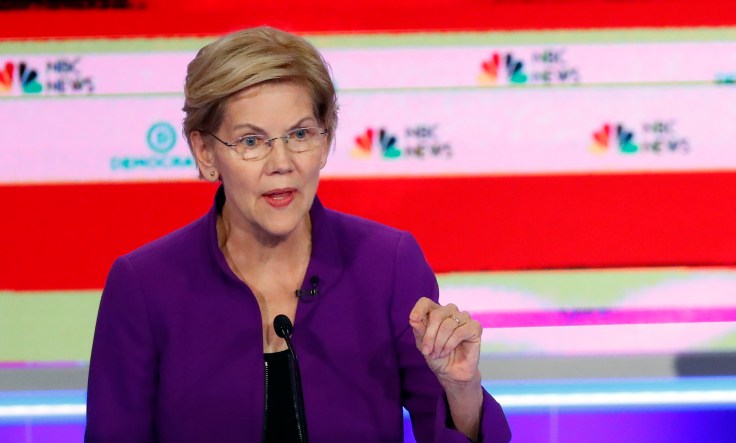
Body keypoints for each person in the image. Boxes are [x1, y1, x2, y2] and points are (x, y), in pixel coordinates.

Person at [85, 26, 511, 443]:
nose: (282, 162)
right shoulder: (144, 286)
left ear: (326, 141)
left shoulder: (387, 266)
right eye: (251, 140)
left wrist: (461, 389)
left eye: (301, 134)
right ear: (205, 151)